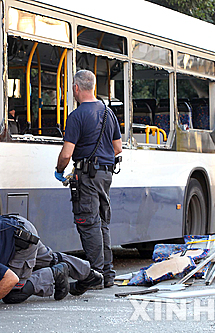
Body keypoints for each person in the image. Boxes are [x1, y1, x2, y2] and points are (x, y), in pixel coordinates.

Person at [55, 70, 122, 290]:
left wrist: (59, 169)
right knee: (102, 222)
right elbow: (117, 148)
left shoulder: (77, 115)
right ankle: (107, 273)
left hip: (88, 175)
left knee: (88, 222)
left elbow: (66, 154)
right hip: (106, 174)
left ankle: (94, 275)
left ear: (76, 88)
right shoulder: (108, 113)